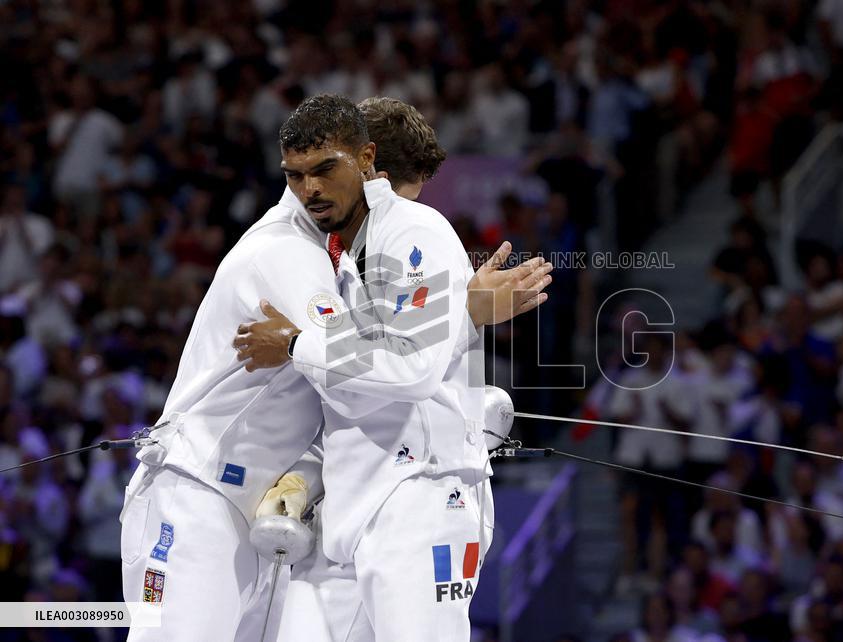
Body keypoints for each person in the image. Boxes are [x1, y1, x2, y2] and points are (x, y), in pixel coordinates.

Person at [119, 92, 552, 641]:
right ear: (372, 173)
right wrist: (462, 316)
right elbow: (360, 379)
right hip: (209, 493)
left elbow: (384, 373)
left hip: (409, 490)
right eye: (303, 175)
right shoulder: (294, 254)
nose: (392, 216)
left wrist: (460, 317)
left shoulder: (389, 238)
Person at [234, 95, 497, 640]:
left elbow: (413, 370)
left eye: (325, 171)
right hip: (350, 505)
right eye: (302, 175)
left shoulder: (417, 230)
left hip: (423, 491)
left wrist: (295, 343)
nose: (312, 191)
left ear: (365, 162)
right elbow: (346, 392)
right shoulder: (342, 256)